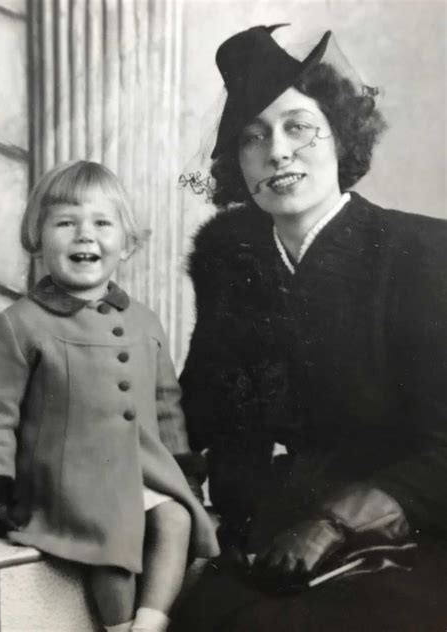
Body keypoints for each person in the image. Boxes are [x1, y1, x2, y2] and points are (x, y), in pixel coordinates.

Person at [172, 25, 447, 630]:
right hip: (268, 541)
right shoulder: (232, 264)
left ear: (340, 137)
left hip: (408, 538)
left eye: (298, 126)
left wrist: (333, 523)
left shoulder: (424, 253)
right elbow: (196, 414)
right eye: (254, 136)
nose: (277, 152)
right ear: (237, 164)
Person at [0, 160, 219, 632]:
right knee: (113, 538)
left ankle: (148, 624)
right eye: (65, 223)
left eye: (102, 223)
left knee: (176, 520)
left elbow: (166, 404)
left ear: (126, 245)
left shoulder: (145, 321)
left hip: (138, 466)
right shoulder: (20, 323)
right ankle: (119, 624)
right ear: (38, 241)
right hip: (63, 478)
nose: (85, 236)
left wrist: (183, 471)